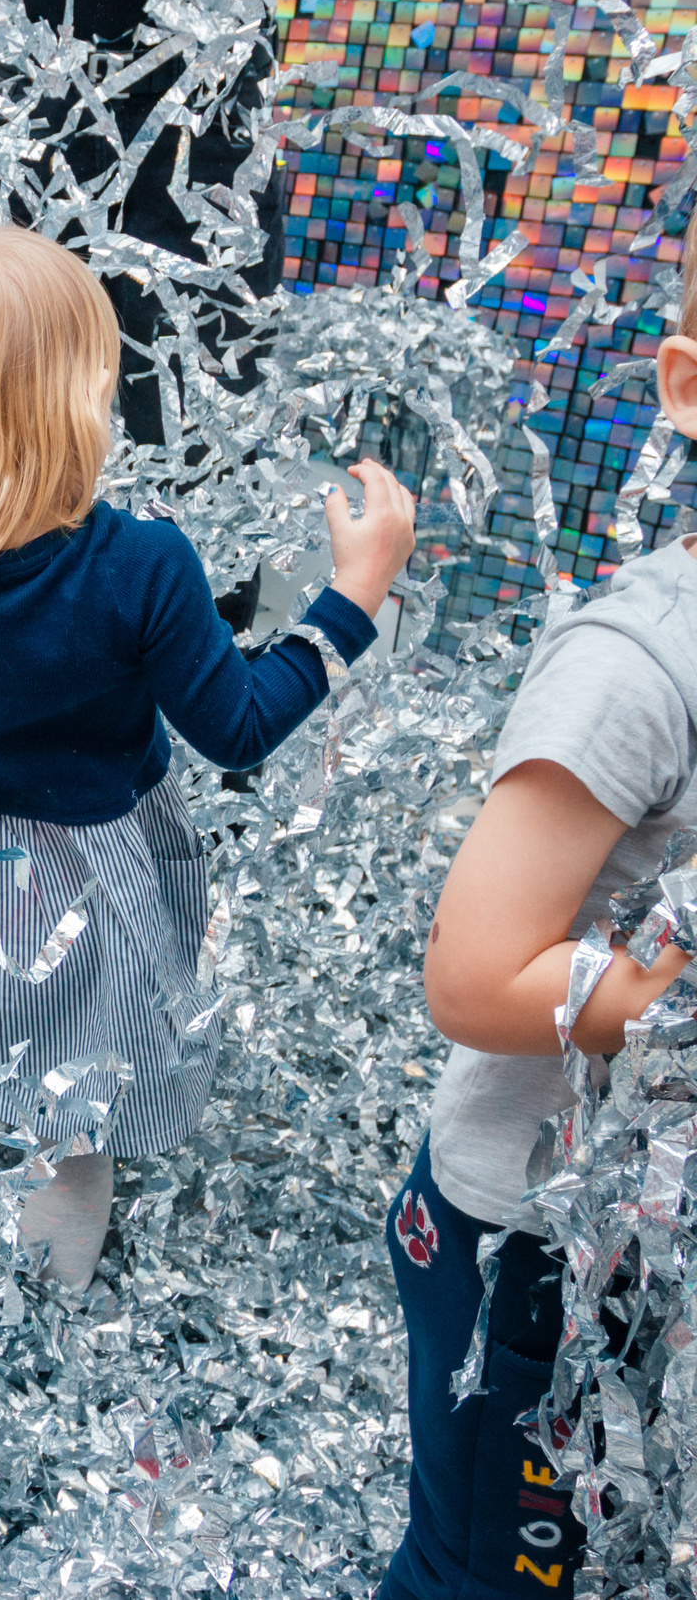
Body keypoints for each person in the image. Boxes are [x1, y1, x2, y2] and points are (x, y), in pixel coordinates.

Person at [0, 226, 415, 1289]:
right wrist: (350, 602)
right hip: (86, 895)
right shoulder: (142, 565)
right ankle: (45, 1319)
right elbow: (237, 728)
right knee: (67, 1115)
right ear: (81, 398)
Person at [384, 245, 697, 1599]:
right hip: (527, 1249)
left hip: (655, 1238)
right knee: (498, 1575)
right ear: (686, 389)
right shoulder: (638, 666)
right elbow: (474, 969)